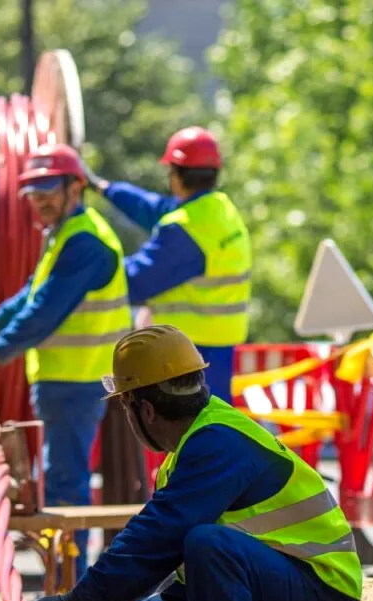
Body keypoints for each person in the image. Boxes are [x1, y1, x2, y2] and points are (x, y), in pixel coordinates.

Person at [18, 325, 362, 601]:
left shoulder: (218, 441)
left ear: (143, 409)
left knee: (207, 544)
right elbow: (157, 556)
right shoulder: (194, 446)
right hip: (284, 592)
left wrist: (76, 599)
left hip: (319, 597)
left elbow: (154, 537)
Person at [0, 143, 133, 580]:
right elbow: (30, 295)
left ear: (76, 188)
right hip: (64, 382)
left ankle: (73, 585)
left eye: (48, 189)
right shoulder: (64, 235)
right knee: (58, 483)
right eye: (33, 192)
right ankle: (68, 579)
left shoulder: (85, 241)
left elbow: (45, 311)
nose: (39, 200)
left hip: (77, 382)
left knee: (65, 487)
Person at [81, 127, 252, 404]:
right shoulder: (220, 210)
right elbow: (152, 208)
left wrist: (83, 269)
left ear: (176, 175)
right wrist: (104, 188)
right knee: (211, 428)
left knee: (188, 433)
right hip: (217, 348)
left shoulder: (183, 229)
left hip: (186, 355)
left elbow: (135, 282)